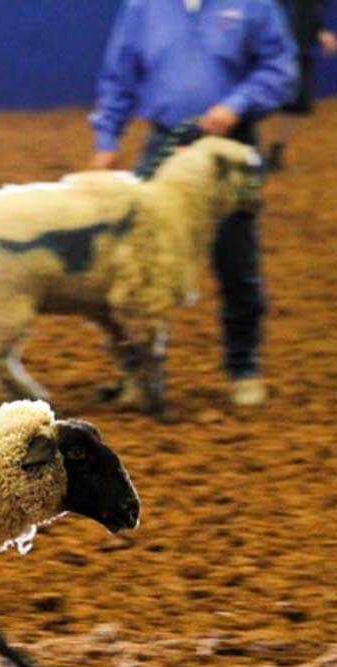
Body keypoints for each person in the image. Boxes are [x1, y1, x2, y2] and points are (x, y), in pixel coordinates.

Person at [89, 0, 298, 407]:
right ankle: (138, 371)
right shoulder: (144, 7)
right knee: (139, 266)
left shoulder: (254, 5)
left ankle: (244, 367)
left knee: (236, 259)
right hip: (165, 141)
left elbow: (280, 67)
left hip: (230, 150)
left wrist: (236, 104)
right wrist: (107, 140)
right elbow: (119, 74)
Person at [265, 0, 337, 171]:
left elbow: (310, 10)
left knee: (296, 103)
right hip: (281, 46)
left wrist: (320, 30)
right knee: (257, 99)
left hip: (297, 48)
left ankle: (275, 152)